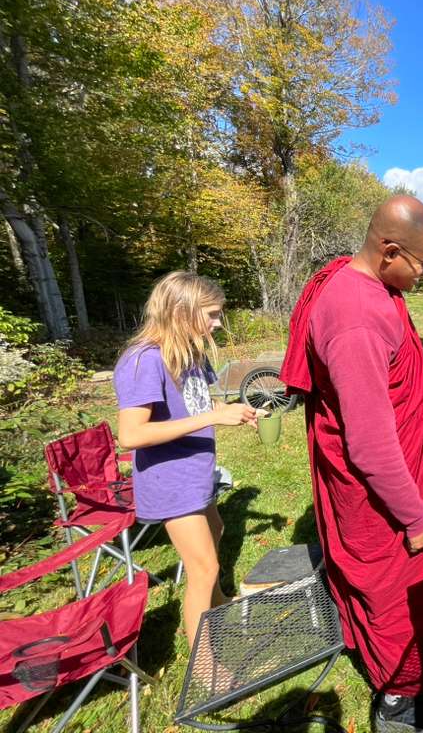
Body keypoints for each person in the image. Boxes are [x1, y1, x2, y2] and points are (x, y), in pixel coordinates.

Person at [280, 196, 423, 733]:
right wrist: (414, 516)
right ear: (388, 251)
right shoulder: (356, 318)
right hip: (384, 496)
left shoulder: (370, 285)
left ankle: (422, 676)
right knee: (399, 596)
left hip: (408, 472)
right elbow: (368, 442)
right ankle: (399, 699)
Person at [113, 271, 260, 651]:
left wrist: (230, 411)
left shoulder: (189, 353)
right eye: (211, 314)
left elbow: (196, 405)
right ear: (181, 312)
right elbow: (131, 435)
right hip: (170, 480)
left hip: (195, 471)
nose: (218, 323)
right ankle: (204, 663)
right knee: (204, 567)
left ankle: (219, 603)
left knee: (217, 531)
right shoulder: (143, 361)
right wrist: (212, 417)